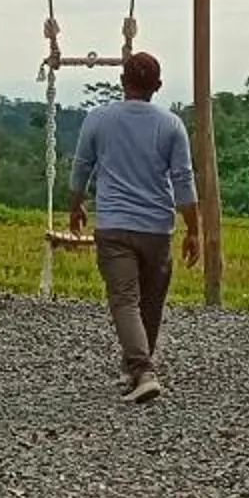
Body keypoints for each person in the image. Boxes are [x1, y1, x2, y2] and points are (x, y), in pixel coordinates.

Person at [65, 51, 199, 402]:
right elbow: (184, 182)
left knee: (124, 300)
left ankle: (141, 369)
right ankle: (138, 369)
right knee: (151, 301)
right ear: (157, 86)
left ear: (122, 82)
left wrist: (75, 204)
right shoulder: (171, 125)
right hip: (157, 227)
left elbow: (81, 167)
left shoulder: (98, 119)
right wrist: (194, 230)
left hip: (114, 225)